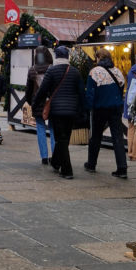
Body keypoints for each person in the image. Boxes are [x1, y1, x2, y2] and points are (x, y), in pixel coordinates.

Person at [33, 45, 85, 179]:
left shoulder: (52, 71)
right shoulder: (75, 72)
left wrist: (35, 103)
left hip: (56, 111)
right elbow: (81, 93)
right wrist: (83, 110)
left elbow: (42, 90)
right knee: (64, 139)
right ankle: (56, 162)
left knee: (61, 139)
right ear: (67, 57)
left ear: (56, 56)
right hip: (71, 111)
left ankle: (67, 171)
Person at [84, 48, 128, 179]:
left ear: (98, 58)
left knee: (96, 136)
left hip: (100, 108)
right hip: (115, 108)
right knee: (118, 138)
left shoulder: (94, 72)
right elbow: (121, 90)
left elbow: (90, 94)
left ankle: (91, 164)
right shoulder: (117, 71)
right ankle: (122, 168)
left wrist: (88, 108)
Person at [24, 45, 56, 164]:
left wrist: (30, 101)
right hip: (51, 103)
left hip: (37, 102)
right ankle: (55, 155)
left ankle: (44, 157)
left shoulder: (32, 70)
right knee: (53, 129)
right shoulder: (52, 68)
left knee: (40, 128)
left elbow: (28, 89)